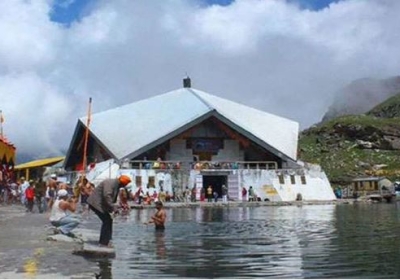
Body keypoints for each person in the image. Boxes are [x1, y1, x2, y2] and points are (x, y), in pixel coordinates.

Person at [87, 175, 132, 247]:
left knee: (108, 220)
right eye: (124, 185)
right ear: (122, 183)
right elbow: (107, 196)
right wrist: (113, 208)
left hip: (100, 204)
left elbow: (110, 199)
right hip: (95, 203)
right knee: (107, 220)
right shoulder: (110, 183)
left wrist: (113, 208)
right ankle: (103, 242)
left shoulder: (116, 184)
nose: (124, 186)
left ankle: (106, 240)